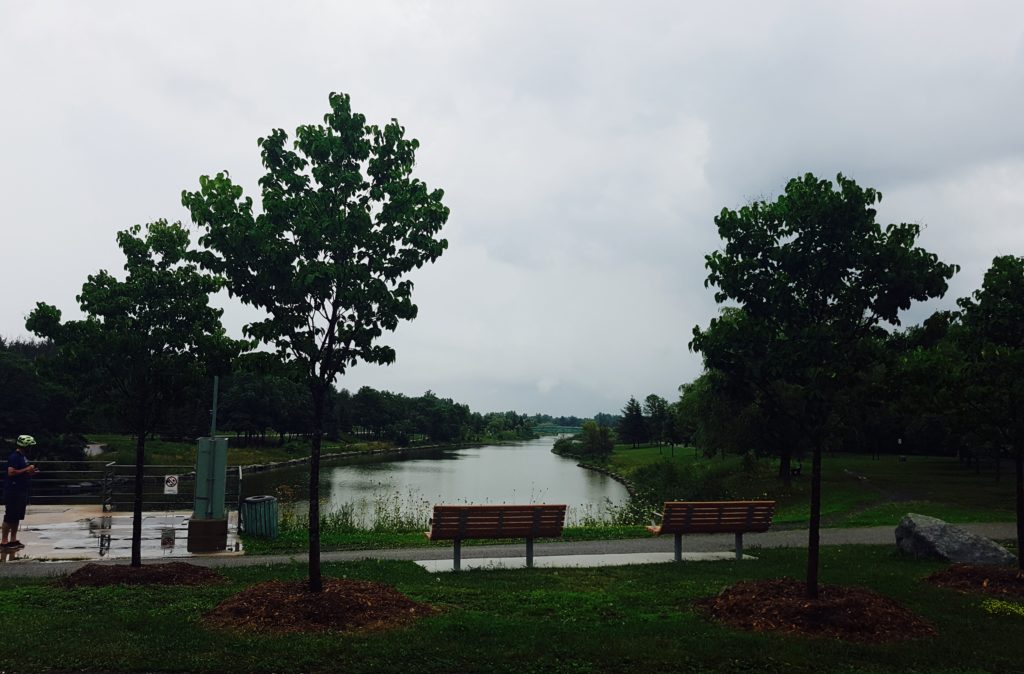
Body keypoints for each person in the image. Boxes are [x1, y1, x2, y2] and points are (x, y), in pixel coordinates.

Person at [2, 435, 39, 549]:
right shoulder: (14, 457)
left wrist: (31, 472)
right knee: (9, 516)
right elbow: (11, 472)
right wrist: (26, 469)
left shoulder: (23, 457)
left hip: (21, 489)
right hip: (13, 490)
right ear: (25, 446)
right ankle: (4, 542)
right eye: (30, 446)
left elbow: (22, 471)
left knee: (17, 516)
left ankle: (13, 539)